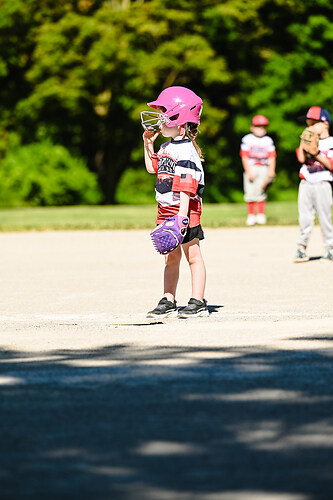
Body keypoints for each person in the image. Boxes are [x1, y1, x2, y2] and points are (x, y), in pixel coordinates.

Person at [140, 86, 208, 318]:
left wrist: (181, 216)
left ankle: (198, 302)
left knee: (193, 256)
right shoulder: (165, 147)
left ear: (179, 118)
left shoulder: (187, 151)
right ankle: (168, 300)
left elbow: (187, 186)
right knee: (171, 258)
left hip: (185, 209)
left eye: (163, 114)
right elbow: (152, 168)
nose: (159, 119)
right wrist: (147, 144)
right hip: (166, 209)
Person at [294, 106, 333, 262]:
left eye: (313, 123)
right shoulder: (308, 138)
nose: (309, 127)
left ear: (325, 123)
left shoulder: (330, 142)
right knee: (304, 217)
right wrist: (303, 145)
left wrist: (316, 153)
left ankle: (330, 248)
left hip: (323, 183)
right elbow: (301, 159)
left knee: (325, 217)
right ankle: (301, 248)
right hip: (306, 182)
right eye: (308, 123)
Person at [240, 115, 276, 226]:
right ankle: (251, 215)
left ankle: (261, 214)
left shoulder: (268, 140)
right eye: (258, 126)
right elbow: (244, 156)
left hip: (263, 167)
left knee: (261, 190)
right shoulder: (247, 139)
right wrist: (248, 171)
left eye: (263, 127)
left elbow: (272, 157)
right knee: (250, 191)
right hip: (251, 166)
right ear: (252, 127)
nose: (261, 129)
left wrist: (271, 170)